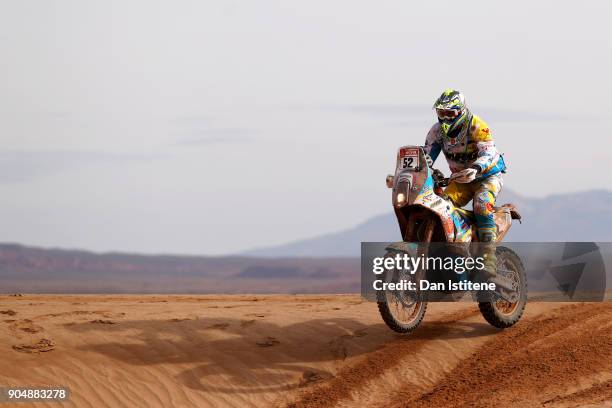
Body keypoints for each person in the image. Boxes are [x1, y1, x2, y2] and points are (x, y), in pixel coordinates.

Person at [423, 89, 507, 283]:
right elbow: (426, 156)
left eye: (450, 113)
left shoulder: (477, 125)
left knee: (481, 204)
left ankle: (488, 259)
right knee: (440, 206)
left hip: (487, 176)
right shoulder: (436, 131)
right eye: (441, 113)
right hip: (460, 180)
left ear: (461, 111)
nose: (445, 118)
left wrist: (477, 168)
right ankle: (455, 252)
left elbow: (491, 153)